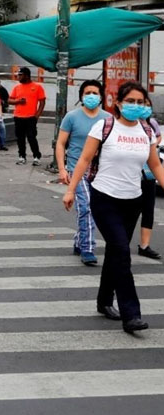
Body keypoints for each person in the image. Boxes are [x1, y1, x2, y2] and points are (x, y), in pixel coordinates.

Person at [63, 81, 163, 334]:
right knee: (122, 251)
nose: (136, 106)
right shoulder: (105, 126)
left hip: (133, 200)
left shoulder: (146, 131)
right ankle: (131, 315)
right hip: (105, 197)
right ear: (118, 103)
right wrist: (70, 189)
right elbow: (85, 159)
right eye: (130, 101)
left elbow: (155, 165)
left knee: (116, 253)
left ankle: (104, 301)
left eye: (140, 102)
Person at [55, 80, 111, 266]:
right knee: (86, 206)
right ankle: (88, 248)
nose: (91, 96)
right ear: (81, 96)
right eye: (88, 93)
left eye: (95, 93)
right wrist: (62, 169)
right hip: (76, 169)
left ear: (101, 97)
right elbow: (61, 143)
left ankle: (80, 240)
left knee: (94, 208)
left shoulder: (107, 119)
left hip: (100, 171)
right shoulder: (72, 117)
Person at [138, 96, 163, 259]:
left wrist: (152, 145)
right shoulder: (124, 125)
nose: (144, 108)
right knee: (128, 212)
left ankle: (144, 245)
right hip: (129, 176)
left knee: (148, 210)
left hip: (147, 175)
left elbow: (158, 136)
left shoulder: (151, 124)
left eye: (147, 105)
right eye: (141, 104)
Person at [9, 67, 46, 166]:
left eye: (20, 75)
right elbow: (9, 100)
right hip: (18, 116)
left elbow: (42, 102)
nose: (18, 77)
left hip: (30, 117)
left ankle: (36, 156)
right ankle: (22, 156)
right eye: (18, 75)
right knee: (20, 138)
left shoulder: (37, 87)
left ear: (26, 75)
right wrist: (18, 101)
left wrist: (37, 115)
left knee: (31, 137)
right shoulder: (17, 88)